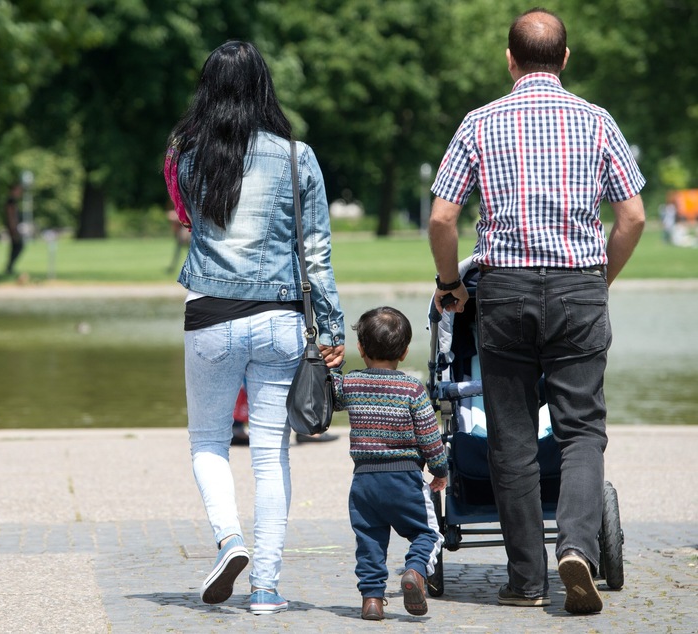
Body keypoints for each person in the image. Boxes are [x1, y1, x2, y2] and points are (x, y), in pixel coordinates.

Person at [428, 9, 646, 615]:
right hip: (577, 284)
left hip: (505, 291)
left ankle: (526, 580)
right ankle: (576, 547)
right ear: (566, 58)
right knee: (581, 430)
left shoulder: (480, 122)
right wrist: (598, 279)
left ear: (510, 58)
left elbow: (443, 217)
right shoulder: (597, 121)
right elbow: (632, 217)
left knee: (513, 438)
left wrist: (451, 284)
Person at [164, 40, 345, 616]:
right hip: (280, 319)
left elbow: (188, 219)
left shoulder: (187, 155)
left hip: (211, 315)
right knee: (271, 454)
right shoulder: (298, 156)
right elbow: (316, 253)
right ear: (265, 86)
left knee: (207, 442)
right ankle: (266, 587)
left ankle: (229, 540)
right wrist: (333, 327)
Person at [331, 307, 447, 620]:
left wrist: (333, 368)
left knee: (369, 541)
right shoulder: (413, 390)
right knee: (428, 534)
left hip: (364, 482)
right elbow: (429, 439)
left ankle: (371, 600)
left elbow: (333, 394)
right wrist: (440, 470)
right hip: (405, 478)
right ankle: (415, 571)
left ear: (361, 348)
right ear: (406, 350)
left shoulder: (352, 384)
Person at [4, 183, 24, 275]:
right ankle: (9, 267)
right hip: (13, 228)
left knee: (16, 247)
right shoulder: (11, 201)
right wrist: (13, 229)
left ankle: (10, 267)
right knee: (18, 246)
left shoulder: (13, 201)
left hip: (14, 228)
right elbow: (11, 216)